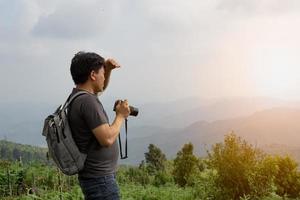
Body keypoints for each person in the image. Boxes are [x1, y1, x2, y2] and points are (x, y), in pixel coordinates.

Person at [68, 51, 130, 200]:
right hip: (100, 181)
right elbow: (107, 139)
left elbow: (100, 88)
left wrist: (107, 70)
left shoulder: (80, 96)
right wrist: (121, 115)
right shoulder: (87, 102)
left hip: (96, 178)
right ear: (92, 75)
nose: (104, 77)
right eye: (102, 73)